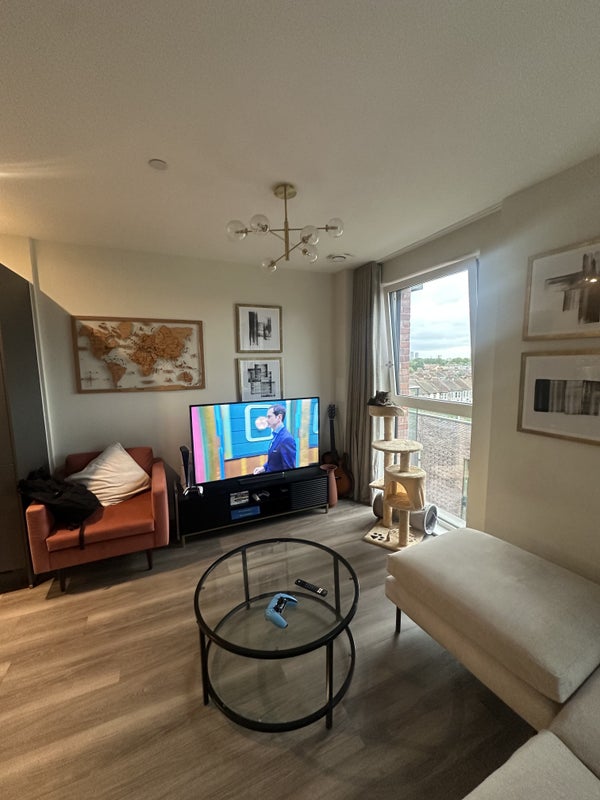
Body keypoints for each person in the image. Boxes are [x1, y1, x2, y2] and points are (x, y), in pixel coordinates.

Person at [253, 404, 297, 474]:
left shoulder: (287, 439)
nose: (266, 420)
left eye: (269, 417)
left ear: (279, 417)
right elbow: (275, 459)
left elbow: (289, 470)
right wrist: (264, 468)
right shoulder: (276, 434)